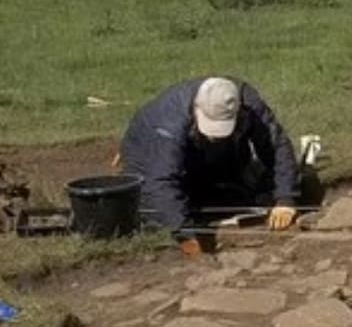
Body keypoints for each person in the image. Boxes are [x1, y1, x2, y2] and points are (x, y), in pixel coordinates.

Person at [120, 77, 302, 255]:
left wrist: (285, 199)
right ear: (196, 109)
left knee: (227, 190)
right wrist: (185, 236)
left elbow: (276, 145)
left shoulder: (248, 101)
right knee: (155, 210)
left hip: (201, 150)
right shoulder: (170, 122)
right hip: (148, 154)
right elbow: (161, 181)